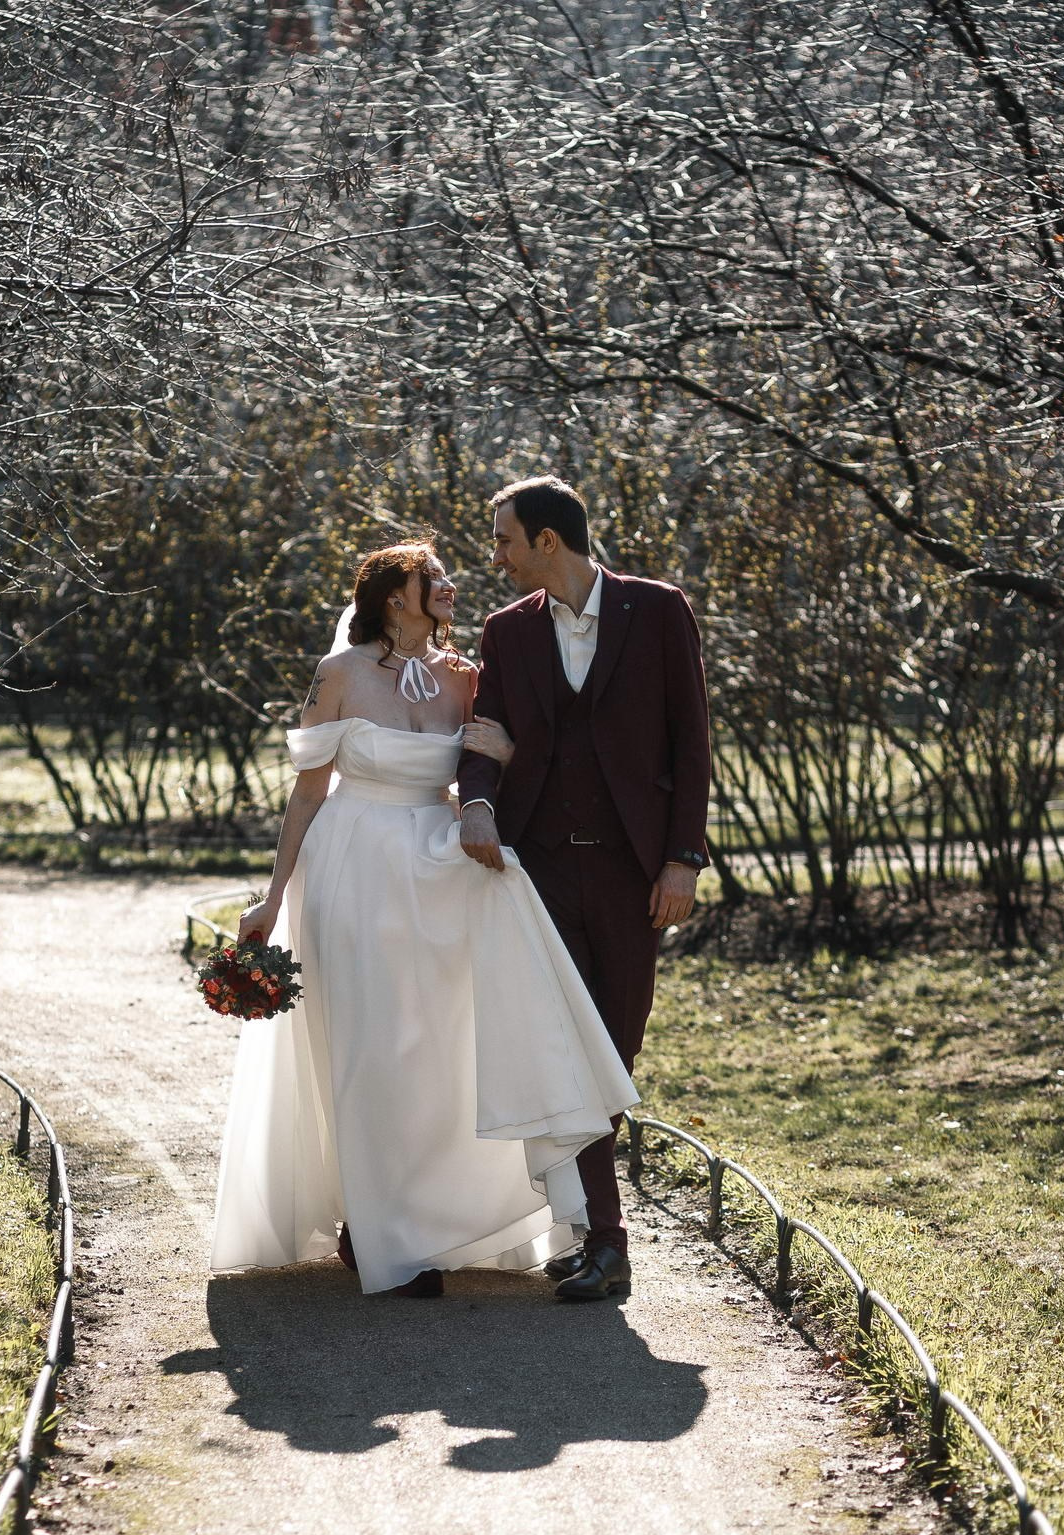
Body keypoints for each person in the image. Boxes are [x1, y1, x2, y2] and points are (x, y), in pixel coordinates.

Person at [208, 542, 640, 1298]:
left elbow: (492, 767)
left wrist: (504, 754)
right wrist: (273, 896)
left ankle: (428, 1221)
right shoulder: (338, 675)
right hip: (351, 869)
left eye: (443, 574)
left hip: (436, 869)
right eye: (429, 577)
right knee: (369, 1045)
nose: (447, 584)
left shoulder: (466, 677)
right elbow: (308, 793)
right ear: (392, 596)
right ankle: (379, 1237)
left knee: (432, 1051)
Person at [458, 476, 712, 1303]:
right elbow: (485, 737)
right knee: (573, 1047)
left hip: (634, 869)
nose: (494, 554)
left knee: (619, 1041)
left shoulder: (659, 610)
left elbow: (691, 739)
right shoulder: (506, 632)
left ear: (547, 542)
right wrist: (479, 807)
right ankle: (607, 1239)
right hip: (537, 872)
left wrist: (683, 857)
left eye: (503, 538)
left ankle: (595, 1229)